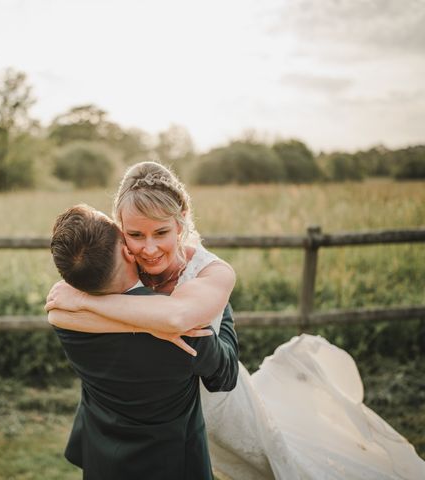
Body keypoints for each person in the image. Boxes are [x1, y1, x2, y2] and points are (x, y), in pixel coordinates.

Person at [46, 161, 425, 479]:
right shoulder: (112, 263)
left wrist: (83, 302)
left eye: (161, 233)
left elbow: (212, 357)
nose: (148, 248)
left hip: (219, 396)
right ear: (119, 230)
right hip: (161, 414)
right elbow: (146, 321)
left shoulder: (210, 274)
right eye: (135, 235)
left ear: (182, 222)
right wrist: (148, 321)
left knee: (277, 459)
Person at [48, 204, 240, 479]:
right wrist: (219, 305)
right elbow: (225, 374)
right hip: (173, 463)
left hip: (103, 456)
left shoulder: (67, 312)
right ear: (127, 250)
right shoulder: (183, 327)